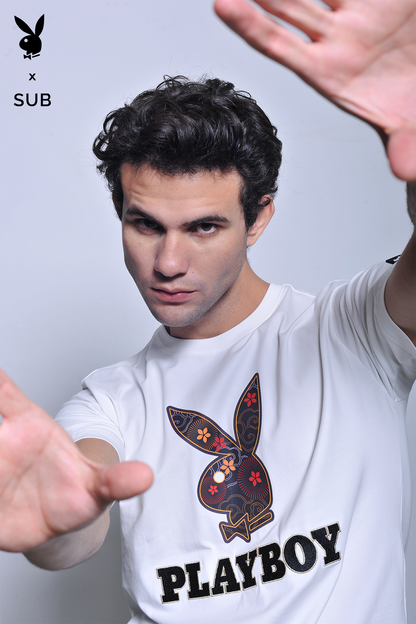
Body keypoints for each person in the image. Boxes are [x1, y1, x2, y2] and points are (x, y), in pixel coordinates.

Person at [0, 0, 415, 622]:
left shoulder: (357, 330)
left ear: (258, 218)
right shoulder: (112, 399)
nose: (167, 262)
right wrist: (54, 523)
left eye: (203, 227)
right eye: (145, 224)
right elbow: (73, 520)